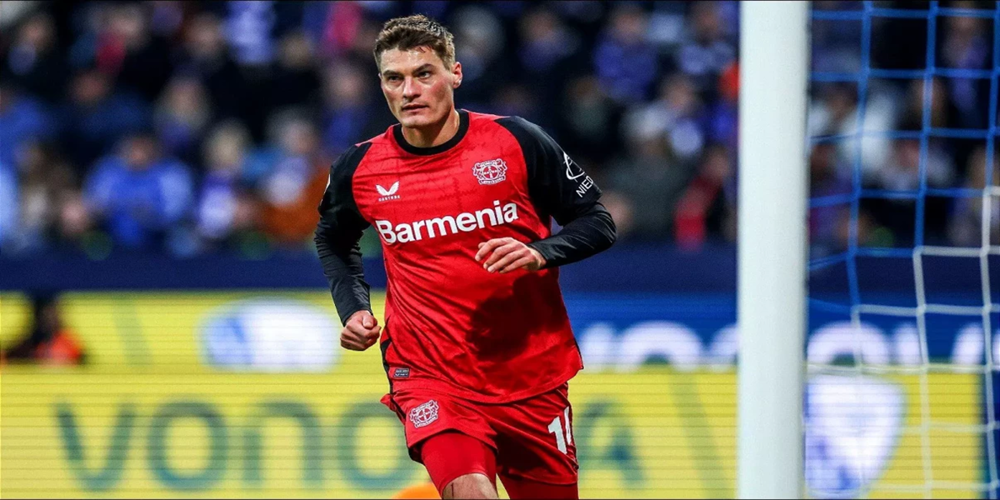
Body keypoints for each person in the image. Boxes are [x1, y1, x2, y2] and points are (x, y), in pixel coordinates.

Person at [314, 15, 616, 500]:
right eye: (394, 78)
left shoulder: (517, 141)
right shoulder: (360, 168)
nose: (409, 91)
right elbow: (333, 239)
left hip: (531, 374)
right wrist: (353, 309)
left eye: (423, 74)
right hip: (430, 374)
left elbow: (597, 222)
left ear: (455, 74)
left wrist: (539, 253)